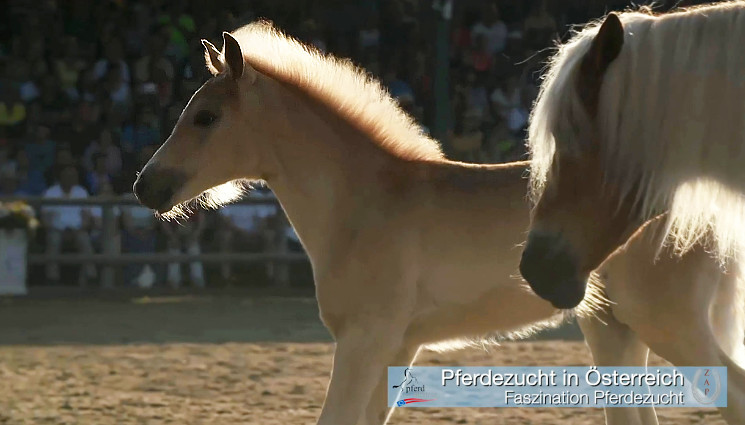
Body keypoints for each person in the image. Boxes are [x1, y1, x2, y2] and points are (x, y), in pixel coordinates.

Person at [41, 165, 96, 286]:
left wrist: (81, 228)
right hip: (56, 230)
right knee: (53, 240)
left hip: (78, 229)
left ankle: (89, 277)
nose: (70, 178)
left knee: (84, 239)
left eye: (73, 176)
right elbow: (45, 219)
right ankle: (52, 278)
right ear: (60, 177)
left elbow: (86, 216)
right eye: (67, 176)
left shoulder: (81, 192)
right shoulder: (51, 192)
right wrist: (54, 228)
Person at [217, 189, 279, 281]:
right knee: (226, 237)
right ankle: (226, 277)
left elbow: (263, 221)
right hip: (235, 233)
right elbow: (226, 220)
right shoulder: (227, 195)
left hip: (256, 233)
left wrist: (256, 232)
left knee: (269, 236)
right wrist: (241, 232)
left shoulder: (258, 197)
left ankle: (270, 275)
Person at [161, 212, 206, 288]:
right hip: (174, 236)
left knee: (194, 250)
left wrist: (194, 236)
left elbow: (202, 221)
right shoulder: (170, 204)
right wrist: (172, 237)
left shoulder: (193, 205)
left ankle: (198, 282)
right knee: (174, 252)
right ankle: (173, 283)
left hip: (191, 235)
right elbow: (164, 222)